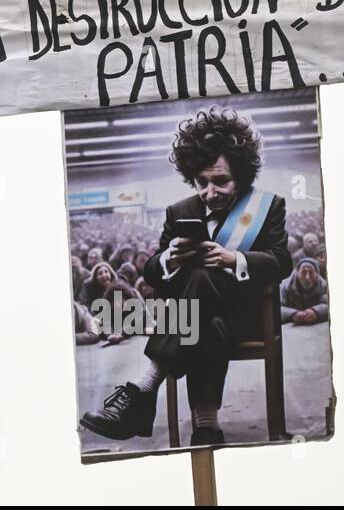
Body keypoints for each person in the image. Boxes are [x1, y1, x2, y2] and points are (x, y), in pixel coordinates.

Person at [79, 107, 291, 447]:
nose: (210, 192)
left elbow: (282, 262)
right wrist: (170, 258)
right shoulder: (179, 213)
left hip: (245, 317)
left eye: (221, 180)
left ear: (242, 175)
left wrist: (232, 258)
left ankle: (144, 387)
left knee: (198, 294)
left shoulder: (268, 207)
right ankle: (206, 425)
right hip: (202, 322)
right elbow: (151, 272)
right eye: (201, 182)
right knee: (201, 311)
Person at [280, 257, 329, 325]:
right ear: (297, 273)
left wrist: (315, 312)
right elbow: (278, 308)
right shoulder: (284, 286)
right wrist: (293, 314)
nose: (307, 277)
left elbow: (328, 305)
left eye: (311, 272)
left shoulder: (324, 286)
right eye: (303, 272)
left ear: (316, 275)